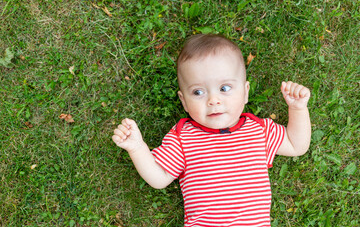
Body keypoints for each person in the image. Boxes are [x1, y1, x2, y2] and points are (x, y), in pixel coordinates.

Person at [112, 34, 311, 226]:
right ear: (184, 101)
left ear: (245, 92)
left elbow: (296, 145)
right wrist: (137, 148)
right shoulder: (184, 137)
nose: (213, 100)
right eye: (198, 92)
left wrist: (297, 109)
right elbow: (159, 177)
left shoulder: (259, 130)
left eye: (224, 88)